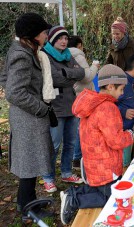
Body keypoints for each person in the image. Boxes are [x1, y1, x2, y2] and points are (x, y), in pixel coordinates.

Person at [59, 64, 134, 225]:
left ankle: (70, 194)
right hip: (106, 164)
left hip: (93, 162)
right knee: (109, 197)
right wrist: (129, 135)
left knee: (100, 189)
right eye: (121, 89)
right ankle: (74, 199)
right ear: (111, 86)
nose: (122, 94)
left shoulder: (93, 103)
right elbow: (115, 141)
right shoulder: (108, 108)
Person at [0, 13, 54, 218]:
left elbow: (5, 79)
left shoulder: (24, 51)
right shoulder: (22, 55)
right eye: (44, 32)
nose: (47, 35)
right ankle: (27, 209)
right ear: (33, 35)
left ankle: (29, 206)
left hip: (27, 116)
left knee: (30, 164)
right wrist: (39, 107)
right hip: (29, 117)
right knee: (29, 165)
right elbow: (14, 92)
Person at [42, 26, 85, 192]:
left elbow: (81, 73)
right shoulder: (46, 55)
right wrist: (69, 74)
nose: (64, 41)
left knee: (70, 142)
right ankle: (48, 178)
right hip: (56, 107)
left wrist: (66, 74)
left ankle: (66, 172)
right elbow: (53, 77)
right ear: (52, 39)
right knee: (53, 144)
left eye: (66, 38)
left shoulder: (68, 55)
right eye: (60, 38)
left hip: (72, 105)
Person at [106, 16, 134, 147]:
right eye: (113, 34)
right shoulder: (113, 46)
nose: (115, 36)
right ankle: (124, 140)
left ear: (124, 33)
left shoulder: (133, 45)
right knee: (122, 112)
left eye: (117, 34)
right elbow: (109, 62)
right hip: (118, 83)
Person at [68, 35, 100, 169]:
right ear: (79, 44)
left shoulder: (65, 55)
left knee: (76, 126)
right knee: (82, 127)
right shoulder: (78, 55)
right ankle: (78, 157)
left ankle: (75, 158)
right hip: (83, 95)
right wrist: (95, 66)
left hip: (73, 93)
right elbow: (87, 77)